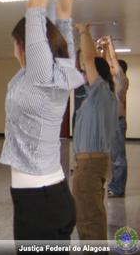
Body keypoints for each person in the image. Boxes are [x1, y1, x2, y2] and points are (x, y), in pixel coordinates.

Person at [0, 0, 84, 242]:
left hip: (37, 203)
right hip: (56, 193)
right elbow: (64, 11)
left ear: (22, 45)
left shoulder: (39, 73)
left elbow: (35, 8)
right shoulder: (63, 66)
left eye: (14, 44)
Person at [72, 25, 118, 242]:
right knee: (92, 216)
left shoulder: (100, 93)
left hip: (90, 165)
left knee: (88, 219)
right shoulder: (103, 96)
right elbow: (93, 62)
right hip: (92, 162)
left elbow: (89, 60)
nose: (83, 73)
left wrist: (83, 32)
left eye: (85, 71)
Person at [100, 36, 129, 198]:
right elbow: (104, 67)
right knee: (111, 157)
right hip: (109, 123)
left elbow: (114, 64)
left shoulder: (121, 80)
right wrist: (103, 49)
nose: (111, 67)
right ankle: (113, 185)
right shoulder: (110, 82)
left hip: (117, 123)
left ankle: (118, 189)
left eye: (113, 66)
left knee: (118, 158)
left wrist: (110, 44)